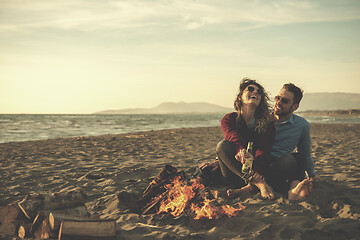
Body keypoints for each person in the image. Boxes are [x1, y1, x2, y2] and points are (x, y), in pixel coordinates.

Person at [215, 78, 276, 200]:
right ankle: (257, 184)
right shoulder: (228, 119)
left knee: (286, 162)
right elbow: (232, 136)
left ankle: (250, 185)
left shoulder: (267, 124)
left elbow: (264, 148)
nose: (255, 93)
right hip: (234, 172)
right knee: (222, 145)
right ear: (240, 97)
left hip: (256, 170)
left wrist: (257, 171)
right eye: (251, 89)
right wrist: (240, 150)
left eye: (259, 92)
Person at [268, 83, 320, 200]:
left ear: (295, 107)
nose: (278, 103)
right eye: (277, 98)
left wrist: (312, 175)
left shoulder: (302, 125)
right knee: (290, 159)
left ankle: (294, 190)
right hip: (259, 165)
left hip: (282, 168)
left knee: (297, 158)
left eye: (285, 101)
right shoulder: (263, 118)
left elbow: (305, 153)